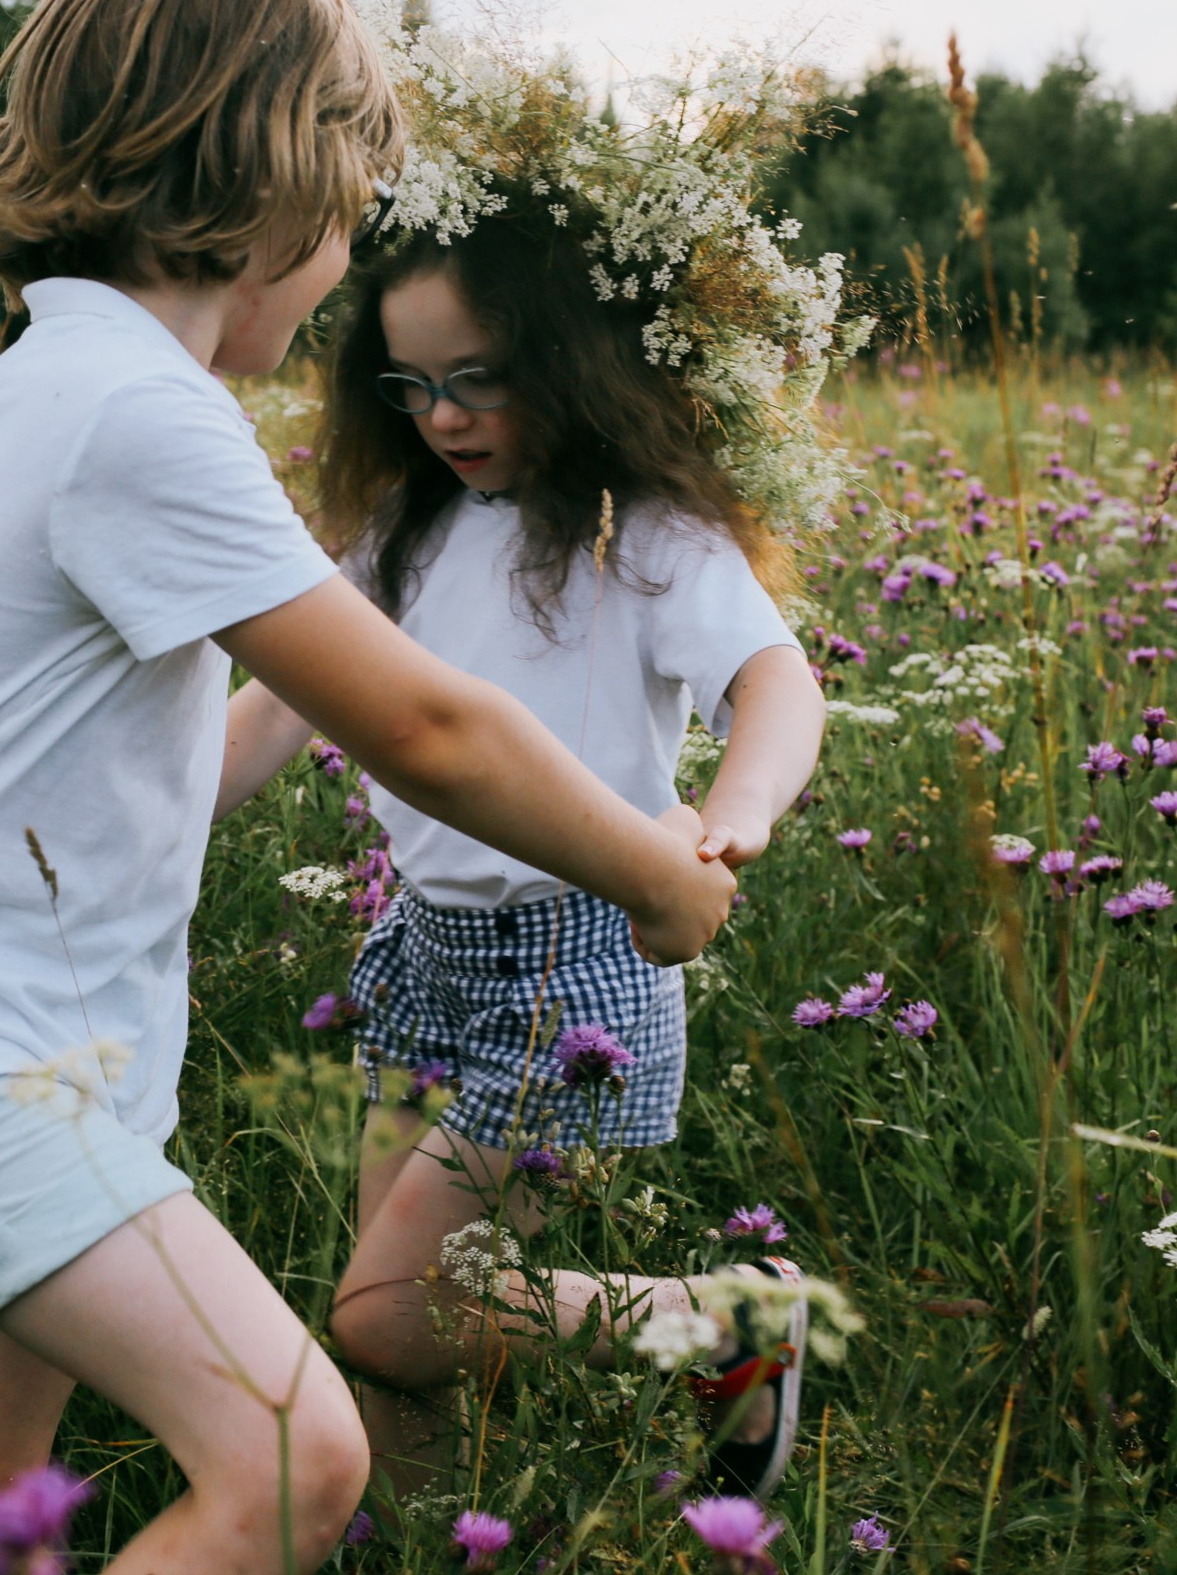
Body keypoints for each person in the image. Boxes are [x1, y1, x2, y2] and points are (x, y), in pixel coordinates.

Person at [0, 0, 738, 1575]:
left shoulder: (32, 386)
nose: (341, 273)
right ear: (272, 180)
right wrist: (656, 871)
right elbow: (427, 726)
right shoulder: (148, 411)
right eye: (346, 225)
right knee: (291, 1460)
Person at [215, 208, 830, 1510]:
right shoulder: (408, 534)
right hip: (422, 952)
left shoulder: (645, 532)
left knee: (390, 1309)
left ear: (575, 360)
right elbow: (275, 709)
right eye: (413, 388)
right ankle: (422, 1530)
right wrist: (130, 826)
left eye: (478, 380)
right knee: (399, 1315)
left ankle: (719, 1320)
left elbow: (777, 682)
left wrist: (735, 814)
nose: (443, 418)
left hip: (579, 969)